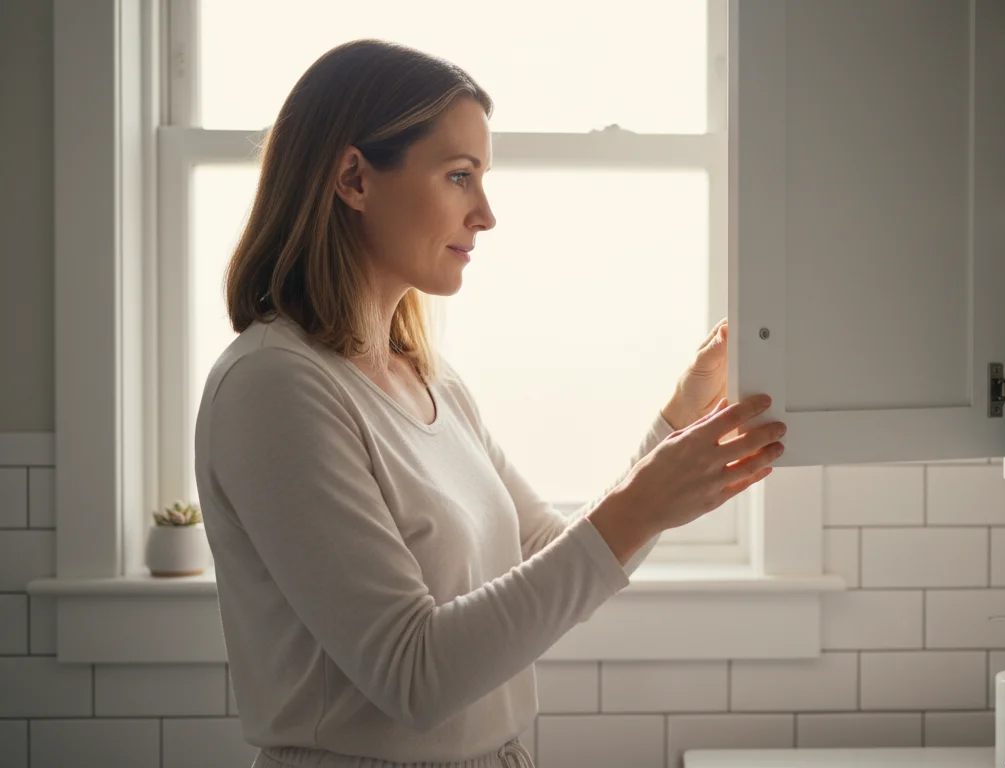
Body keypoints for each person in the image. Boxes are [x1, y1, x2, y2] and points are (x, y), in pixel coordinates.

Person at [194, 39, 787, 768]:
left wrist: (676, 426)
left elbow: (552, 557)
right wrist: (643, 503)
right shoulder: (274, 388)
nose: (485, 214)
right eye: (458, 176)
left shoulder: (431, 380)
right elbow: (413, 676)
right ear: (353, 178)